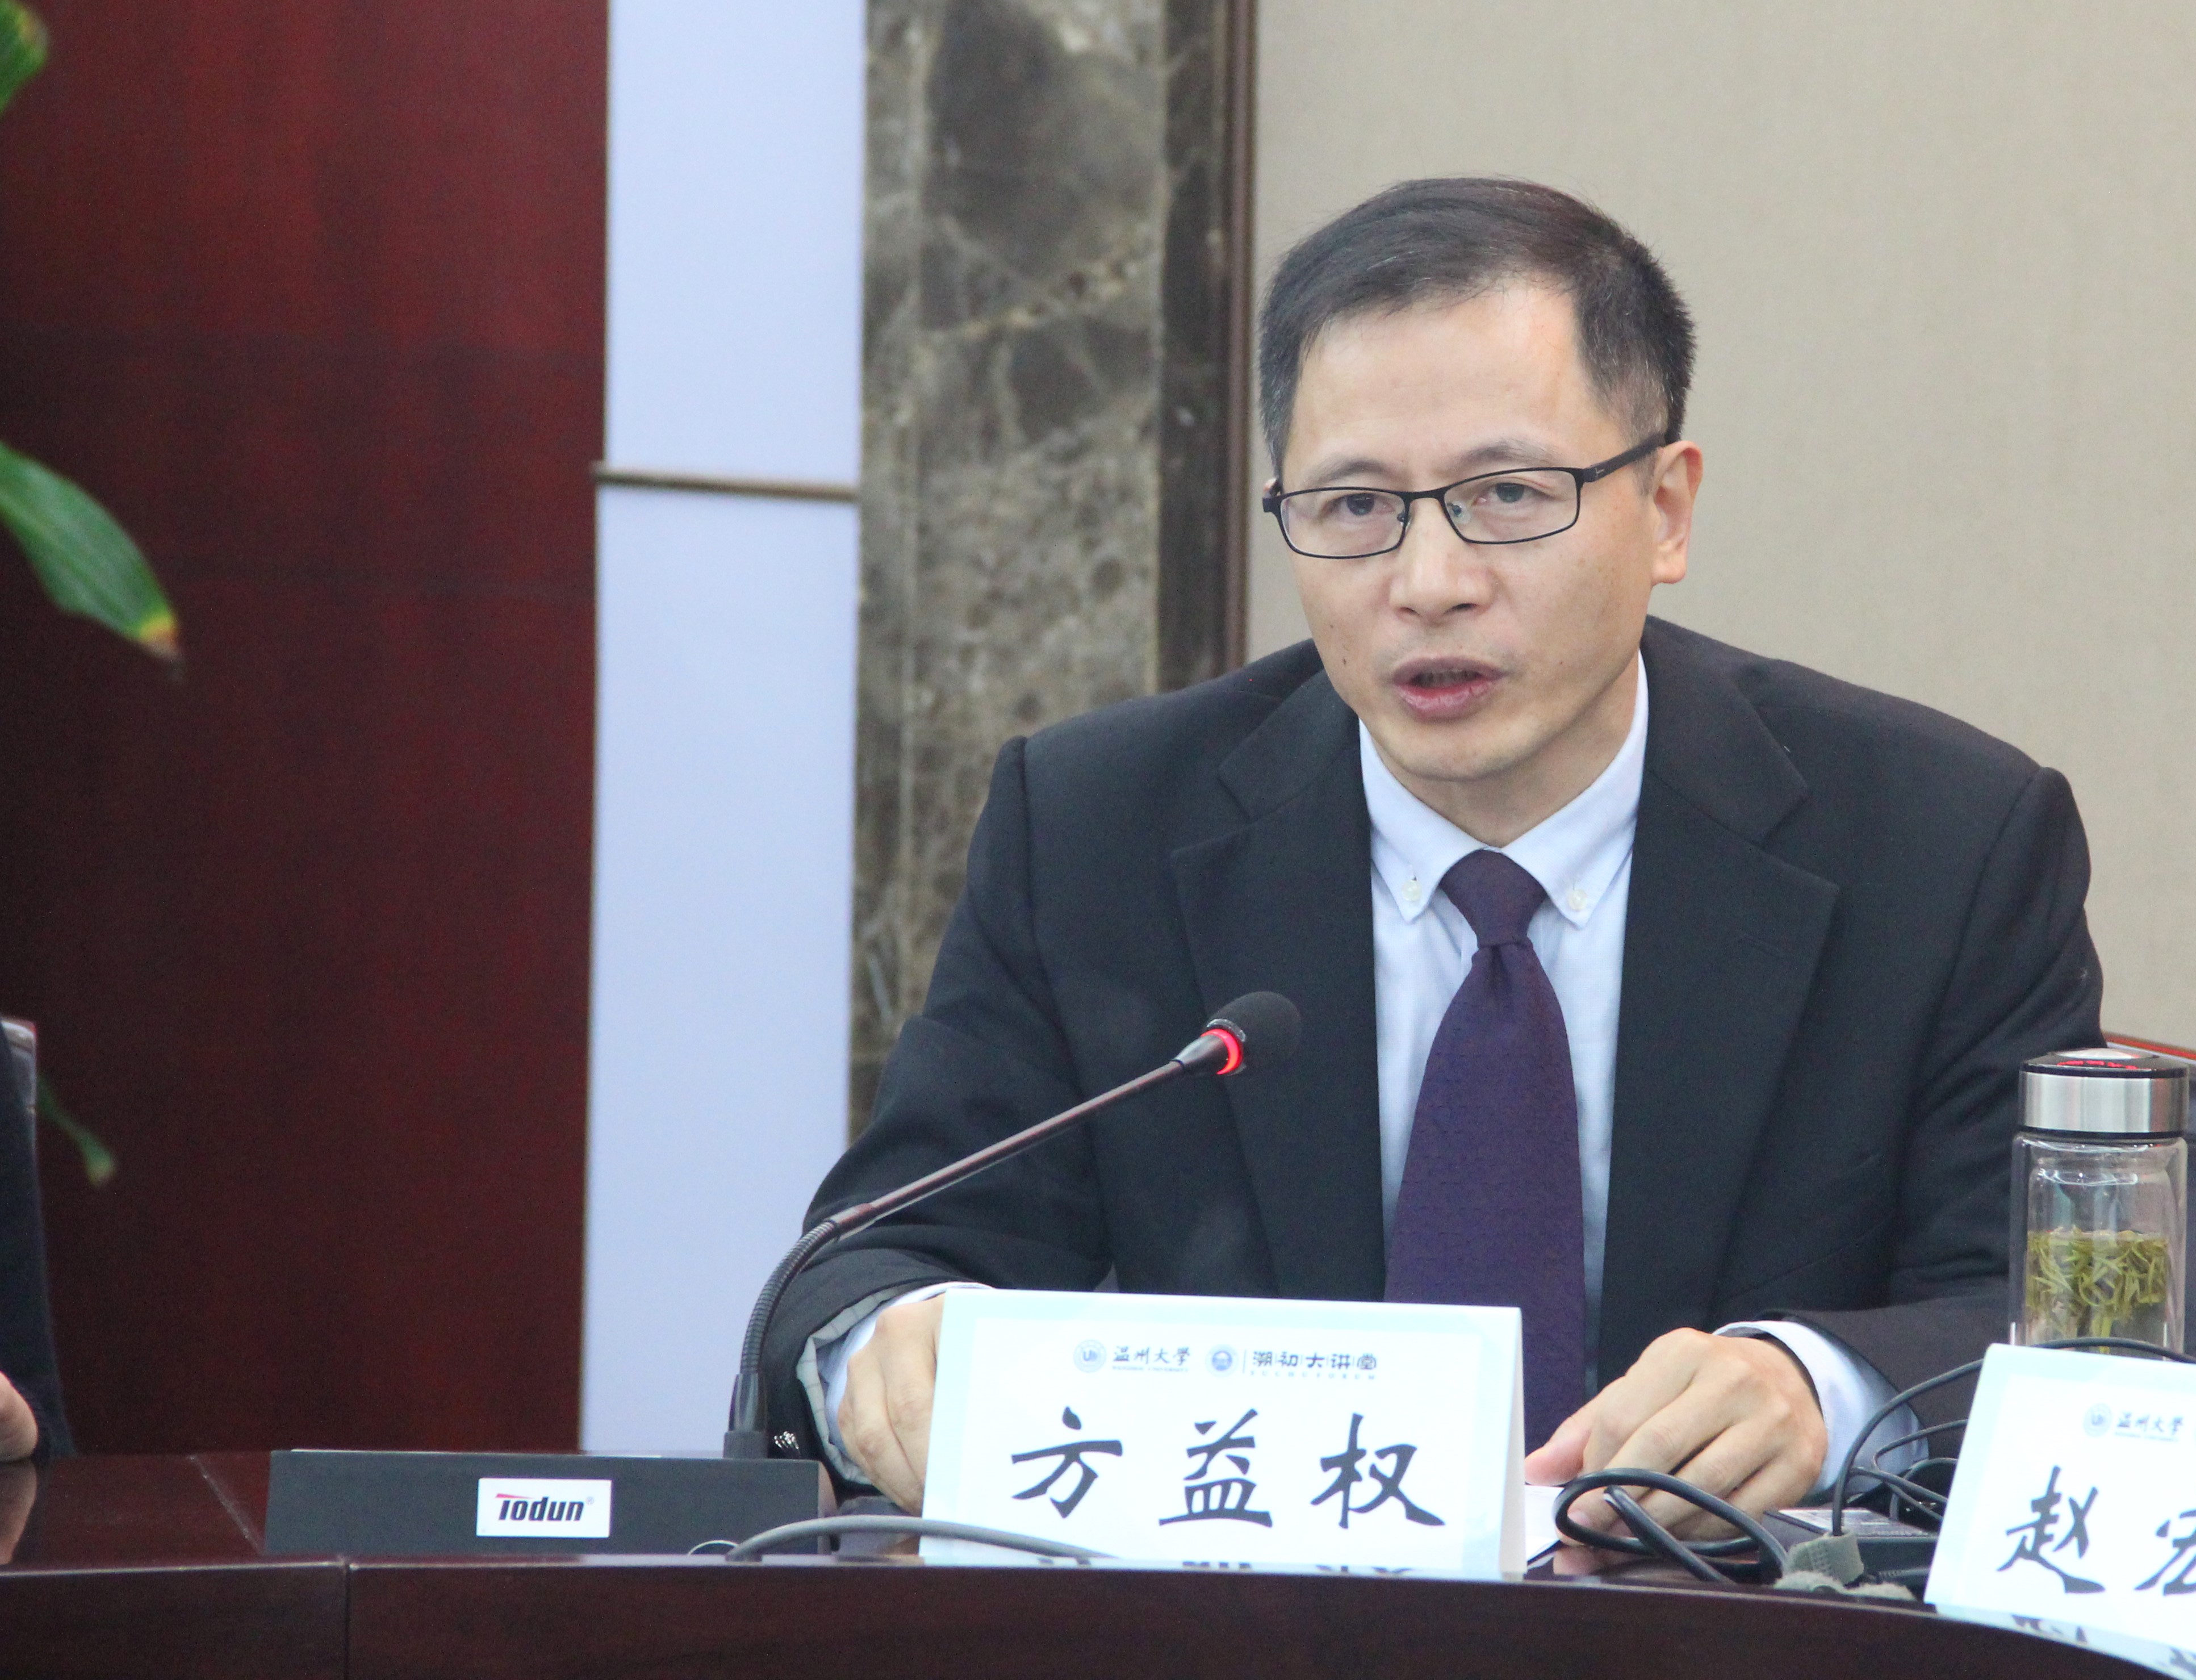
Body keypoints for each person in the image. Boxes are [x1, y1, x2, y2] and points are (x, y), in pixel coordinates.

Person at [760, 178, 2102, 1535]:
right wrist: (894, 1340)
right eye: (1353, 506)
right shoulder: (1098, 827)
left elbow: (2055, 1322)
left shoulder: (1943, 846)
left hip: (1714, 1619)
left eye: (1509, 495)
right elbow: (877, 1255)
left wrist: (1820, 1389)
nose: (1429, 582)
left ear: (1666, 510)